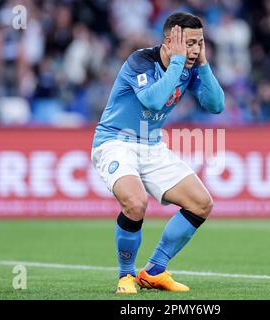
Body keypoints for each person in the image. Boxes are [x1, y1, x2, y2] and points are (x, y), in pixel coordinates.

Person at [91, 12, 224, 293]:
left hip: (152, 145)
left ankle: (154, 271)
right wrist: (178, 61)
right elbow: (153, 100)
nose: (196, 49)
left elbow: (216, 105)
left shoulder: (190, 66)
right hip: (115, 142)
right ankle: (125, 276)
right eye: (190, 43)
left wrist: (203, 65)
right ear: (169, 41)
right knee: (136, 203)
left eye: (200, 43)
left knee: (201, 203)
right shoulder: (140, 61)